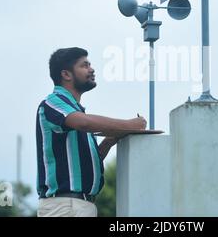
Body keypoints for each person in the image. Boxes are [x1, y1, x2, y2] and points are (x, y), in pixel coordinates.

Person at [36, 47, 146, 217]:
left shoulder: (75, 111)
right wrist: (131, 124)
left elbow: (84, 163)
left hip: (76, 206)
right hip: (65, 206)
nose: (92, 69)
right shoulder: (52, 103)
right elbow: (85, 123)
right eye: (84, 65)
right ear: (66, 74)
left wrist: (109, 140)